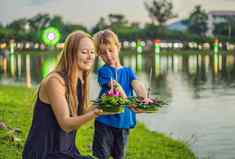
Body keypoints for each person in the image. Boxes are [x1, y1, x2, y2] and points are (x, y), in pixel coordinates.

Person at [23, 30, 102, 159]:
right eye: (84, 52)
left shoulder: (79, 79)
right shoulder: (55, 81)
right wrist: (95, 114)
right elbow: (65, 124)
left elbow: (81, 113)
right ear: (71, 54)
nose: (89, 57)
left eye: (92, 52)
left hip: (66, 151)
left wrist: (103, 103)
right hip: (45, 153)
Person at [92, 29, 152, 159]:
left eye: (110, 50)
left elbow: (137, 84)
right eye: (103, 53)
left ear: (118, 47)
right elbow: (116, 87)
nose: (108, 55)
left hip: (124, 123)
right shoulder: (104, 71)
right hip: (105, 121)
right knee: (101, 155)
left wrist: (144, 98)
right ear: (99, 55)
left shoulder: (128, 71)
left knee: (119, 156)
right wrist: (129, 103)